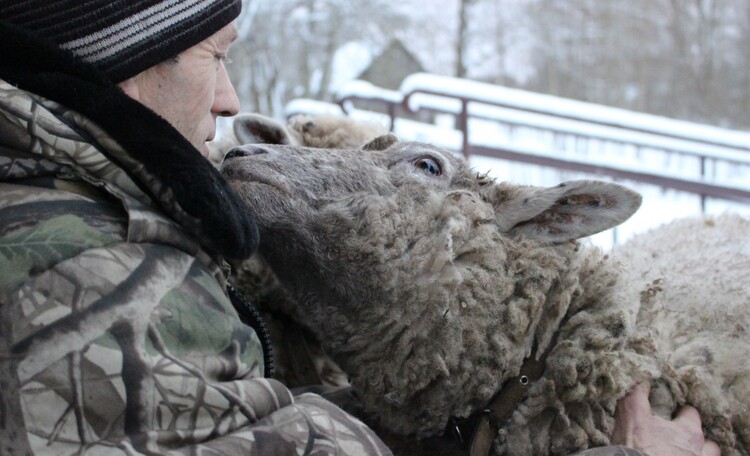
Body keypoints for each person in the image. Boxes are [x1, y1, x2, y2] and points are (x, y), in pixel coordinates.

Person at [0, 1, 719, 455]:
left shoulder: (90, 207)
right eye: (216, 56)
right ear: (122, 62)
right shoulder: (87, 272)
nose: (231, 98)